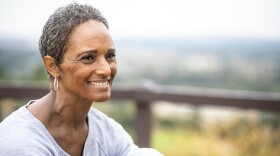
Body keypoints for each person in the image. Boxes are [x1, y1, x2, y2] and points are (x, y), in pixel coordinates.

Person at [0, 3, 162, 156]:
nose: (106, 69)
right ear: (53, 66)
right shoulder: (19, 142)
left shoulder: (107, 131)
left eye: (110, 56)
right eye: (88, 57)